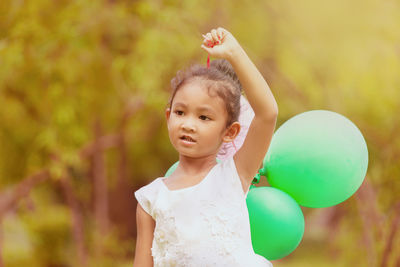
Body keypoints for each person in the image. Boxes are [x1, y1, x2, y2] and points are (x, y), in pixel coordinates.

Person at [133, 27, 278, 267]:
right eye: (180, 112)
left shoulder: (234, 175)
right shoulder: (150, 199)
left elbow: (268, 113)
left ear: (230, 131)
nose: (188, 124)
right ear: (168, 116)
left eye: (204, 118)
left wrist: (234, 52)